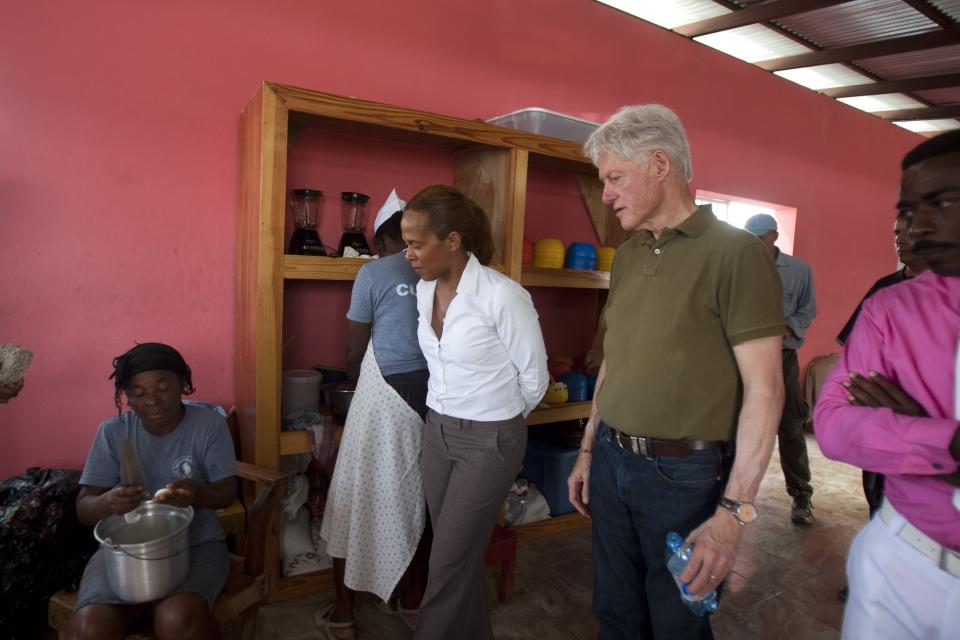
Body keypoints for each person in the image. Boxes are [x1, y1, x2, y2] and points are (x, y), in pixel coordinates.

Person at [566, 105, 785, 639]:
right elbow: (616, 358)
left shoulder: (735, 254)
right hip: (613, 460)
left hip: (683, 476)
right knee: (615, 610)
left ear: (660, 164)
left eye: (616, 178)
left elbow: (766, 389)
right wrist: (590, 448)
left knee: (676, 622)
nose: (607, 194)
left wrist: (734, 513)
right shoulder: (628, 254)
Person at [814, 129, 960, 639]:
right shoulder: (890, 305)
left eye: (941, 202)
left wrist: (909, 425)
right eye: (908, 209)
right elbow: (834, 425)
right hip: (904, 553)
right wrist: (949, 441)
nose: (917, 225)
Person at [400, 185, 548, 640]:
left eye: (417, 243)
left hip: (489, 441)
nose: (409, 255)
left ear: (453, 240)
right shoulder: (425, 293)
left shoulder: (503, 296)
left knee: (446, 562)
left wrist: (496, 419)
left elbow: (535, 379)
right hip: (437, 433)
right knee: (456, 557)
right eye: (406, 243)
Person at [69, 342, 237, 640]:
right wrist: (109, 501)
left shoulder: (209, 426)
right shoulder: (112, 432)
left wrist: (195, 492)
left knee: (175, 620)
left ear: (183, 385)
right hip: (123, 552)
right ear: (127, 397)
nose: (152, 401)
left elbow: (226, 493)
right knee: (90, 628)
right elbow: (84, 509)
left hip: (196, 544)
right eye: (138, 393)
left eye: (163, 388)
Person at [316, 210, 432, 638]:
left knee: (353, 494)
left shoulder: (373, 271)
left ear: (386, 241)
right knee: (420, 500)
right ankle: (413, 601)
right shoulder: (442, 269)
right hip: (436, 393)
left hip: (385, 391)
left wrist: (348, 393)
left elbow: (353, 350)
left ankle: (344, 613)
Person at [836, 212, 929, 518]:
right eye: (895, 233)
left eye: (908, 232)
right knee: (879, 497)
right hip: (882, 413)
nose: (899, 239)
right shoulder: (884, 289)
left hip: (929, 417)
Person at [744, 213, 817, 525]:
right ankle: (727, 494)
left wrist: (789, 327)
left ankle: (801, 496)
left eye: (760, 237)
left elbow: (808, 308)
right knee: (734, 423)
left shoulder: (799, 270)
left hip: (782, 357)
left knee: (789, 426)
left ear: (773, 235)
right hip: (743, 356)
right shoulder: (740, 265)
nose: (755, 243)